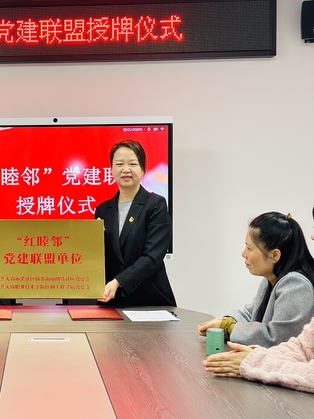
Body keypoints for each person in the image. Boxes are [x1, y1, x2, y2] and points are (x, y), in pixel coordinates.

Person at [202, 206, 314, 393]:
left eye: (249, 248)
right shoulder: (273, 278)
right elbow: (250, 313)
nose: (243, 254)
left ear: (275, 255)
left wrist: (230, 329)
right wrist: (227, 320)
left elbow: (277, 338)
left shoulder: (297, 285)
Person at [94, 140, 176, 306]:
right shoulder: (102, 210)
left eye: (132, 164)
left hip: (149, 299)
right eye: (119, 164)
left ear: (143, 169)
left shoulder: (156, 204)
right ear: (111, 169)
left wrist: (118, 282)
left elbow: (152, 257)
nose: (126, 169)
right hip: (111, 300)